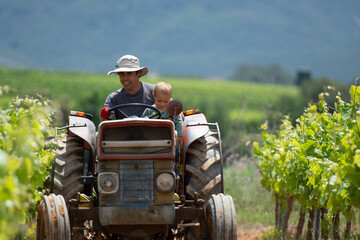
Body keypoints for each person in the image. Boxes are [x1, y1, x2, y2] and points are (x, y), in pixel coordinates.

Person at [141, 82, 183, 178]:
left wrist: (179, 135)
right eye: (159, 101)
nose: (162, 104)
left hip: (169, 140)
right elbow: (141, 123)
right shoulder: (149, 110)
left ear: (170, 99)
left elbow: (179, 122)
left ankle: (174, 169)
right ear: (153, 96)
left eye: (166, 102)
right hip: (152, 140)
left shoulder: (173, 110)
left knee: (175, 150)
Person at [100, 55, 154, 121]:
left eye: (129, 73)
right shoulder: (113, 98)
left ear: (138, 73)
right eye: (122, 74)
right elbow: (104, 122)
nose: (125, 78)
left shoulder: (155, 92)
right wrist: (105, 114)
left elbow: (168, 111)